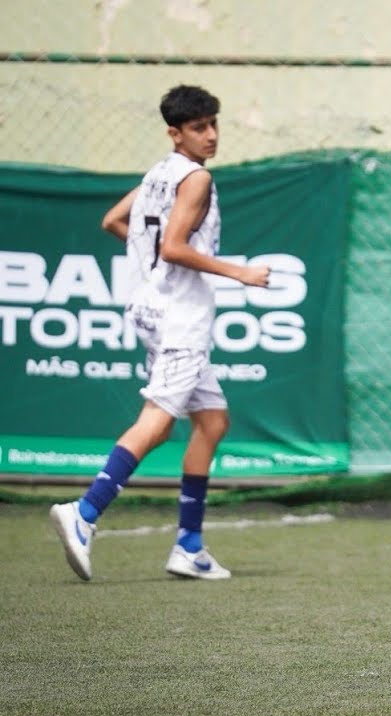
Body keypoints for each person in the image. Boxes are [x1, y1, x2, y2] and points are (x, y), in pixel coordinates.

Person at [49, 85, 270, 582]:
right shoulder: (195, 179)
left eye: (214, 124)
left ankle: (188, 547)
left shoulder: (158, 173)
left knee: (211, 422)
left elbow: (113, 221)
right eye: (199, 127)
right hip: (180, 318)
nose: (210, 135)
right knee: (159, 421)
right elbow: (173, 247)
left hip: (152, 308)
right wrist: (240, 274)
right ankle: (83, 513)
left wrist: (147, 253)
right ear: (175, 132)